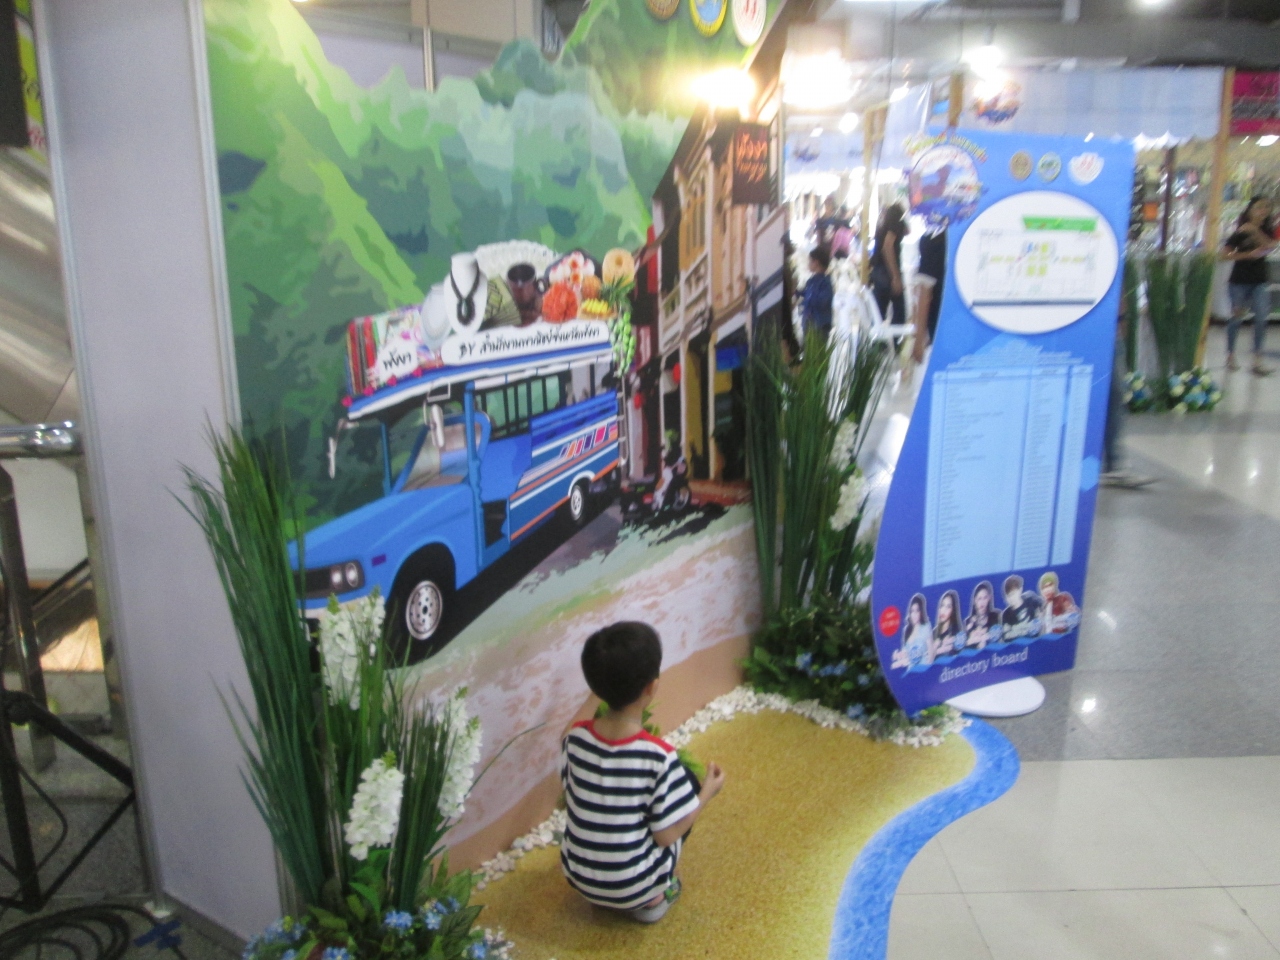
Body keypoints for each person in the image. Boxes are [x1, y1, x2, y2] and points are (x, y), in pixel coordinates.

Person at [561, 622, 726, 923]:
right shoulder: (658, 757)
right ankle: (654, 900)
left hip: (580, 878)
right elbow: (666, 836)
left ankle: (606, 895)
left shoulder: (574, 741)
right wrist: (706, 793)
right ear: (652, 687)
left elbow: (568, 731)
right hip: (634, 887)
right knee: (686, 789)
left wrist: (599, 688)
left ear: (594, 684)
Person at [1221, 196, 1278, 375]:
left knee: (1261, 318)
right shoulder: (1240, 231)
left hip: (1259, 281)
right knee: (1236, 318)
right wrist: (1248, 255)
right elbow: (1224, 255)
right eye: (1259, 207)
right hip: (1239, 281)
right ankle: (1230, 355)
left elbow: (1269, 246)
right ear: (1250, 209)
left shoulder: (1266, 230)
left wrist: (1254, 231)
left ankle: (1257, 359)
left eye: (1266, 208)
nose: (1263, 211)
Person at [911, 227, 947, 365]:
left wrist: (919, 339)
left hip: (939, 323)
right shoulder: (971, 234)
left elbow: (925, 294)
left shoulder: (933, 239)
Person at [871, 203, 908, 327]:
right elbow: (887, 247)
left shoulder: (883, 225)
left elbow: (907, 231)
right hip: (887, 271)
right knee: (899, 313)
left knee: (878, 313)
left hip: (878, 269)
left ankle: (878, 338)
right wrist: (895, 277)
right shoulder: (895, 222)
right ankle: (895, 338)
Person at [800, 246, 835, 343]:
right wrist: (798, 293)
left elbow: (823, 301)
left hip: (820, 324)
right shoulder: (811, 281)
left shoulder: (825, 282)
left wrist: (809, 299)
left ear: (816, 263)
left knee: (817, 347)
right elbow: (806, 294)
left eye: (810, 261)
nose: (808, 264)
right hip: (809, 322)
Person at [892, 594, 933, 670]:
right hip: (911, 671)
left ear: (921, 612)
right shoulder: (906, 630)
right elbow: (905, 655)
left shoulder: (926, 627)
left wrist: (927, 670)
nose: (914, 614)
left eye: (917, 611)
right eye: (912, 611)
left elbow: (931, 652)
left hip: (923, 668)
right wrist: (898, 656)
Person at [1000, 575, 1043, 642]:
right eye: (1008, 596)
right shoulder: (1006, 614)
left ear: (1020, 590)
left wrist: (1040, 616)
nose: (1011, 598)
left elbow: (1043, 605)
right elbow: (1006, 637)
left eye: (1013, 594)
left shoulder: (1030, 598)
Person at [963, 581, 1001, 651]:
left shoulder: (996, 616)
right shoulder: (968, 622)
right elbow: (965, 645)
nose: (982, 602)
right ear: (975, 601)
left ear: (989, 598)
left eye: (985, 598)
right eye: (979, 598)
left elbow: (999, 638)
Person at [931, 589, 965, 657]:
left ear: (953, 610)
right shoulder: (934, 632)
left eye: (948, 607)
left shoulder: (956, 633)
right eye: (942, 605)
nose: (943, 610)